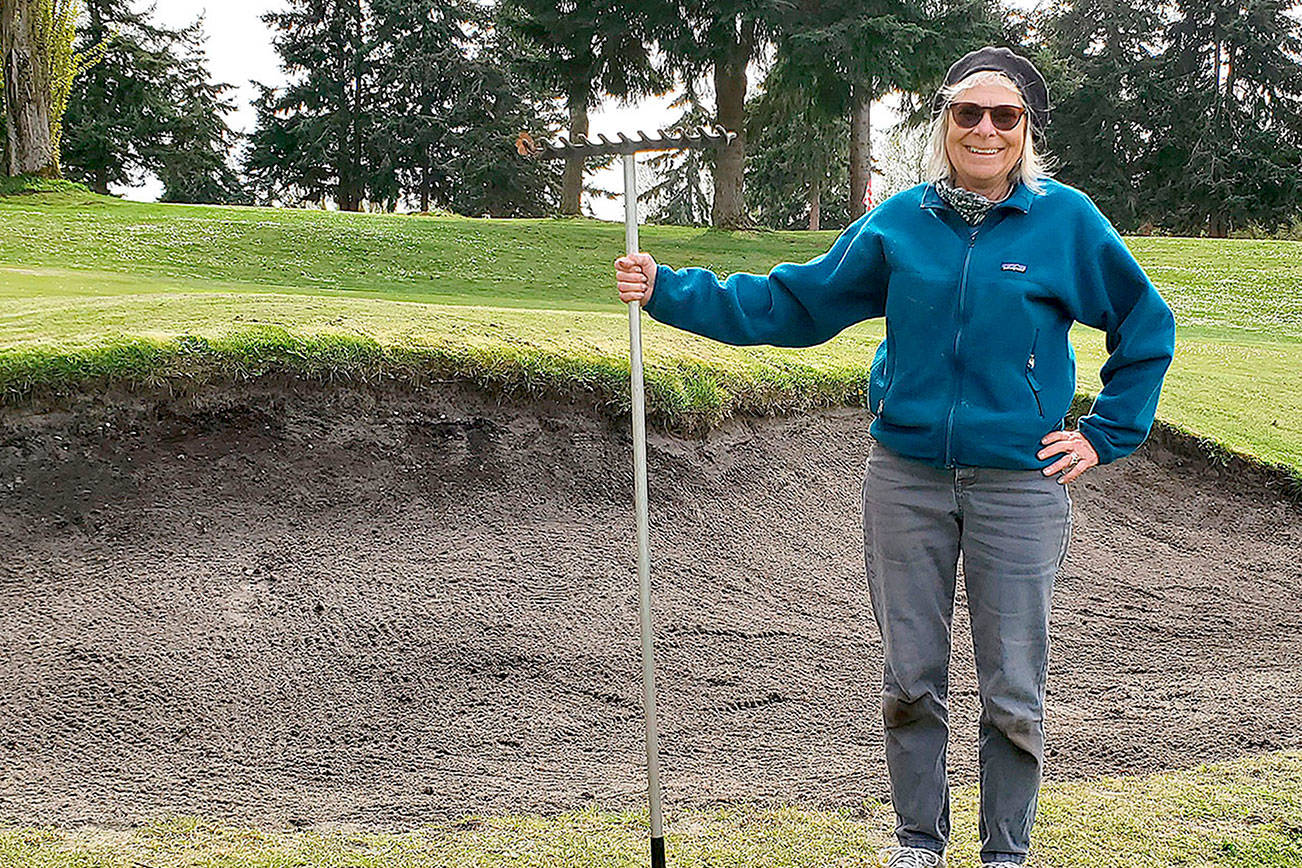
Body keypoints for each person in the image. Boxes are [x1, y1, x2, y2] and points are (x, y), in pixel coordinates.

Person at [614, 45, 1175, 868]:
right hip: (905, 478)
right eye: (967, 113)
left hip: (1019, 484)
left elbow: (1145, 325)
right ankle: (919, 842)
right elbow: (793, 303)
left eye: (1004, 116)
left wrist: (1104, 431)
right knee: (911, 679)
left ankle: (1005, 854)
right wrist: (669, 289)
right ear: (944, 122)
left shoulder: (1067, 221)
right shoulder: (899, 221)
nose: (984, 129)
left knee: (1013, 689)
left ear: (1026, 131)